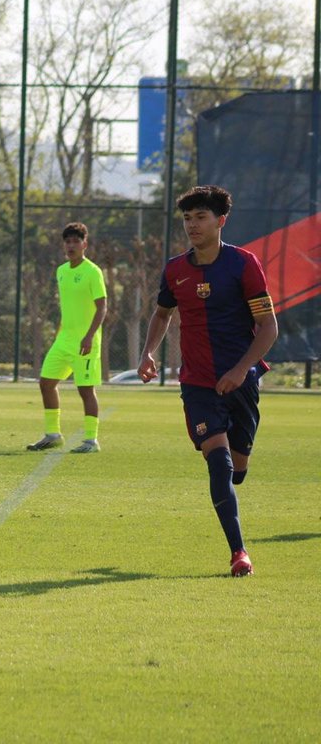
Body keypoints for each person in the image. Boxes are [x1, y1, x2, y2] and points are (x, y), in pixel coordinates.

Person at [138, 185, 278, 578]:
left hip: (242, 382)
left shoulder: (243, 264)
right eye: (187, 218)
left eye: (200, 217)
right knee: (218, 463)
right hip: (197, 383)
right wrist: (148, 352)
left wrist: (240, 370)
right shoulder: (175, 269)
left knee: (238, 470)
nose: (192, 225)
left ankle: (235, 478)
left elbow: (268, 327)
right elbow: (163, 314)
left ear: (221, 220)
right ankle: (239, 552)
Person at [27, 222, 107, 453]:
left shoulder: (93, 272)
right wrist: (61, 332)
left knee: (85, 390)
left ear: (85, 244)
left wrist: (89, 336)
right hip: (64, 340)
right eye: (68, 241)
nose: (71, 245)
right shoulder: (61, 271)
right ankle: (53, 435)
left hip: (86, 341)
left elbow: (102, 307)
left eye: (76, 241)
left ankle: (91, 441)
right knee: (46, 383)